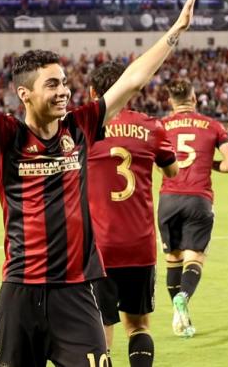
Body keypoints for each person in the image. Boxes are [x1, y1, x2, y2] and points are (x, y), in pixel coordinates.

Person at [0, 0, 198, 367]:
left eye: (65, 83)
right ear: (26, 94)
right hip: (20, 290)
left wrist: (176, 30)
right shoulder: (6, 137)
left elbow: (133, 79)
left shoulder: (81, 127)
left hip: (76, 291)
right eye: (52, 84)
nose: (64, 91)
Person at [87, 62, 178, 367]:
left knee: (100, 330)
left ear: (92, 93)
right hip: (140, 245)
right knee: (138, 326)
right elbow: (173, 170)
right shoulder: (152, 127)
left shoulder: (83, 130)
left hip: (99, 247)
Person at [158, 80, 228, 338]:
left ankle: (181, 320)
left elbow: (155, 161)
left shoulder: (161, 126)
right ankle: (183, 298)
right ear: (194, 98)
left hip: (168, 198)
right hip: (199, 199)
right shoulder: (212, 125)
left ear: (171, 102)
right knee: (194, 259)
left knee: (173, 258)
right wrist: (209, 164)